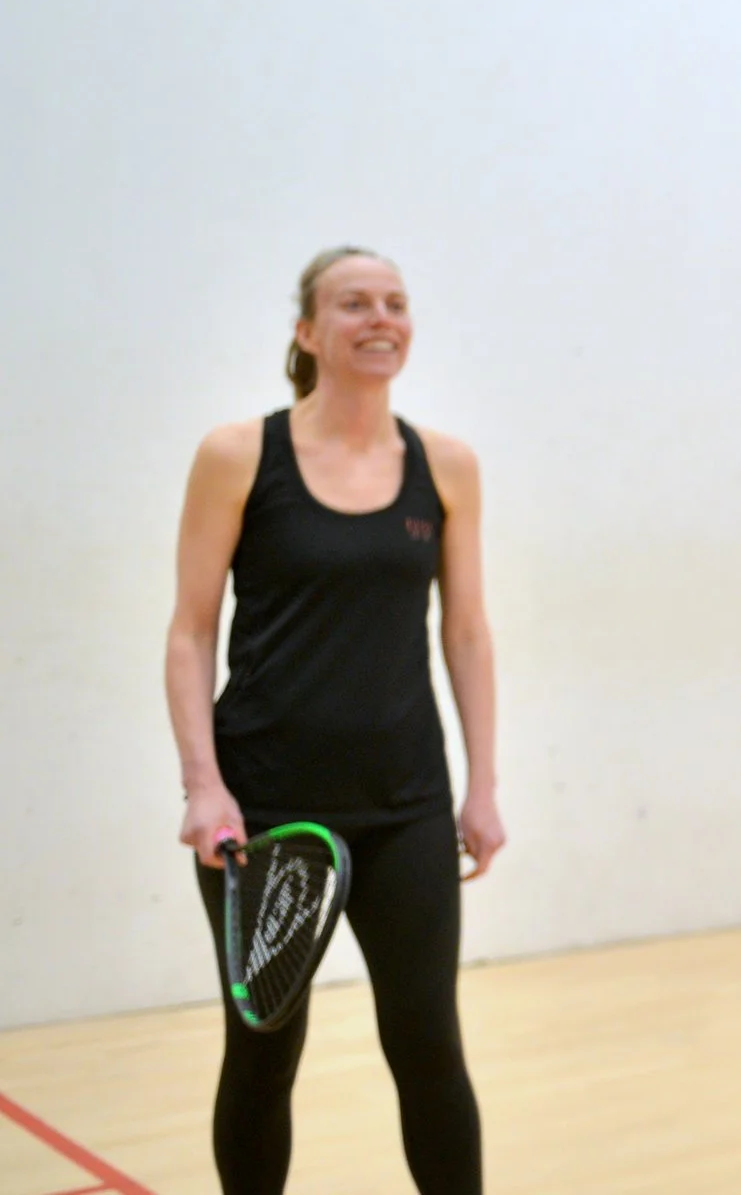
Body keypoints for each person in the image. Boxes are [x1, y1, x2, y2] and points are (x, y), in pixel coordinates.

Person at [166, 246, 505, 1195]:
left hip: (405, 805)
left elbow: (468, 632)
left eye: (395, 301)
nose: (380, 317)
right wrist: (205, 786)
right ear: (308, 331)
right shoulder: (238, 455)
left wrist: (480, 787)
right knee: (265, 1051)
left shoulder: (447, 466)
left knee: (429, 1045)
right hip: (265, 812)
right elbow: (191, 632)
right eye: (352, 303)